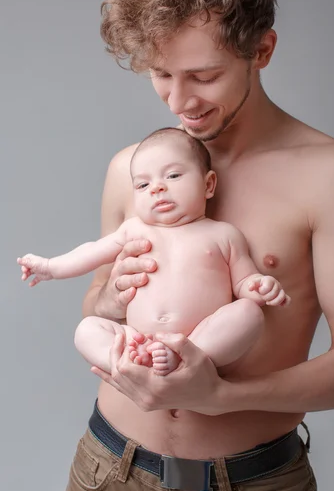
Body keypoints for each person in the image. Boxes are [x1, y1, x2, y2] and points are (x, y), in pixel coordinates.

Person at [60, 0, 334, 491]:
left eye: (203, 76)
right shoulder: (132, 169)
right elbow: (97, 302)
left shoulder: (331, 175)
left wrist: (219, 397)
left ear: (261, 49)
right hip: (107, 477)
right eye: (162, 75)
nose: (180, 102)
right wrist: (107, 302)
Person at [18, 127, 290, 376]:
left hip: (199, 337)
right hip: (137, 339)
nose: (157, 188)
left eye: (173, 176)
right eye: (143, 185)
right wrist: (51, 267)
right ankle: (127, 364)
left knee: (249, 313)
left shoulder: (224, 235)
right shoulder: (133, 229)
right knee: (86, 330)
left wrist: (259, 286)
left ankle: (188, 357)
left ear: (208, 185)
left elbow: (243, 282)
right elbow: (90, 252)